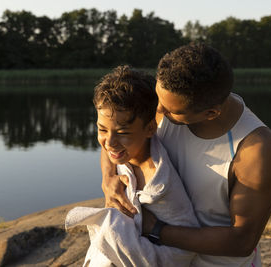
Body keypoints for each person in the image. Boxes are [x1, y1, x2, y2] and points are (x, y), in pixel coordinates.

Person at [101, 44, 271, 266]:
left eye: (170, 111)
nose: (158, 110)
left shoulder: (256, 148)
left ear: (211, 113)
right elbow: (115, 133)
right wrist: (109, 178)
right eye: (158, 100)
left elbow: (242, 240)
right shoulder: (167, 98)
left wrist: (155, 228)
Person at [65, 65, 199, 266]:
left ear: (150, 128)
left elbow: (184, 250)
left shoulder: (160, 185)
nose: (109, 142)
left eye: (123, 133)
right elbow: (108, 149)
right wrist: (108, 177)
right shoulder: (128, 150)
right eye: (102, 129)